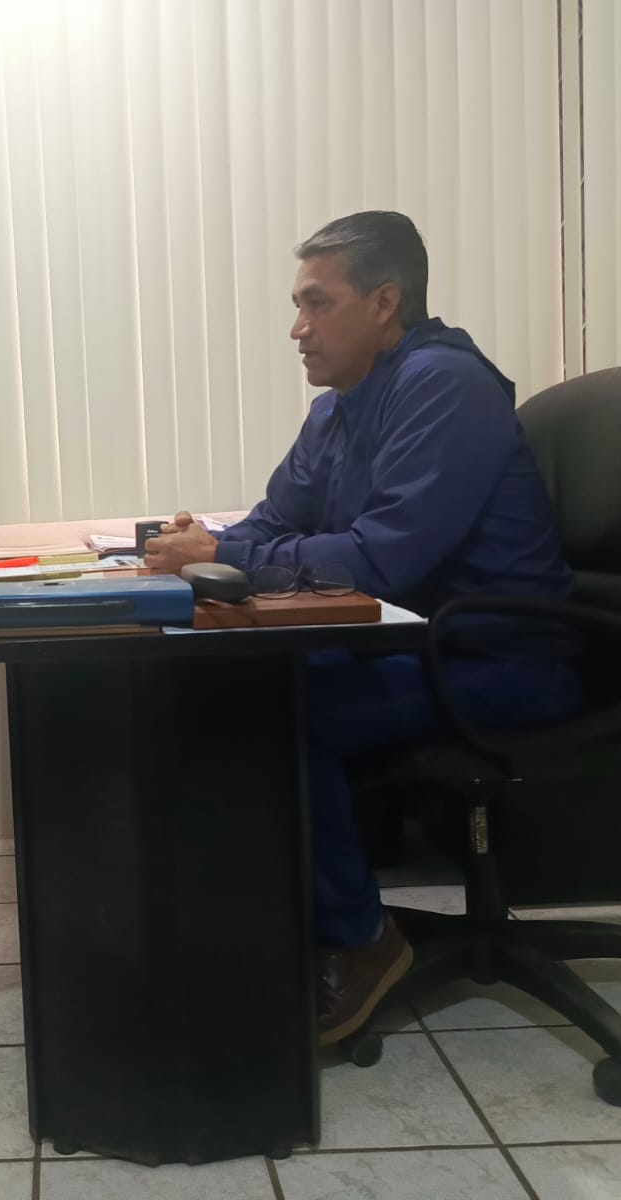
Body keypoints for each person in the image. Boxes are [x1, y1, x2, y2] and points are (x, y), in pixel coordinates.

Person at [144, 212, 580, 1045]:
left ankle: (358, 939)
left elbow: (385, 558)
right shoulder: (337, 411)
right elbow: (275, 522)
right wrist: (204, 547)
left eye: (317, 303)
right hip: (421, 647)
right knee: (232, 686)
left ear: (384, 303)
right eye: (297, 306)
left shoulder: (445, 385)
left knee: (275, 706)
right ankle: (280, 920)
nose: (298, 328)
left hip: (500, 658)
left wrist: (228, 555)